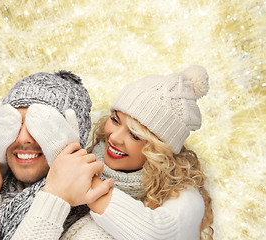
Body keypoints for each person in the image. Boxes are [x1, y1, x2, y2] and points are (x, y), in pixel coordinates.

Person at [59, 65, 214, 239]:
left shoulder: (186, 197)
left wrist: (86, 180)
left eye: (134, 135)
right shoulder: (88, 154)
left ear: (159, 150)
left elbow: (157, 233)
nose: (115, 137)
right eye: (115, 120)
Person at [0, 70, 112, 239]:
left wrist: (55, 198)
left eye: (42, 126)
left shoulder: (92, 229)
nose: (23, 138)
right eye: (13, 124)